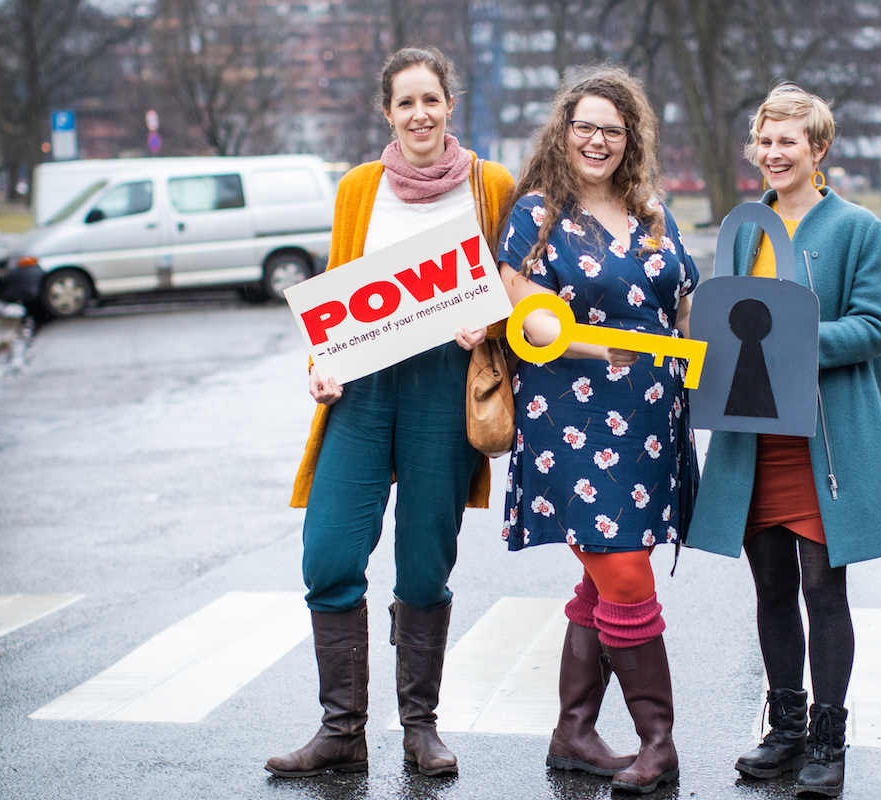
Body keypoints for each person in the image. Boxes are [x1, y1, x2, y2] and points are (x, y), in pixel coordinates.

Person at [266, 46, 515, 779]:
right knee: (331, 550)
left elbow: (523, 281)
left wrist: (494, 324)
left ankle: (420, 728)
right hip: (366, 392)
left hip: (445, 389)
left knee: (424, 560)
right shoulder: (358, 189)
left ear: (449, 105)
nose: (419, 114)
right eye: (405, 103)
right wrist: (321, 368)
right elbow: (340, 295)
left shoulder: (490, 185)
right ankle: (340, 729)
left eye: (430, 100)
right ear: (387, 113)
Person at [686, 84, 881, 798]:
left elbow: (873, 328)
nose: (776, 152)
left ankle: (827, 738)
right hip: (754, 438)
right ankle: (783, 730)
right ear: (754, 148)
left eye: (791, 141)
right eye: (766, 140)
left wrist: (791, 342)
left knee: (823, 586)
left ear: (819, 149)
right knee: (772, 587)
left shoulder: (854, 229)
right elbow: (725, 321)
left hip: (821, 443)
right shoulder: (745, 229)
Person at [498, 67, 699, 795]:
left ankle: (574, 732)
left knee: (602, 572)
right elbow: (527, 315)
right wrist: (600, 344)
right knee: (625, 573)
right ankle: (659, 742)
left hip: (652, 418)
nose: (596, 139)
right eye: (584, 125)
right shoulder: (536, 215)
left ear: (630, 139)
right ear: (564, 130)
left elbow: (685, 307)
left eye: (611, 129)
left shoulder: (651, 210)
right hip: (573, 416)